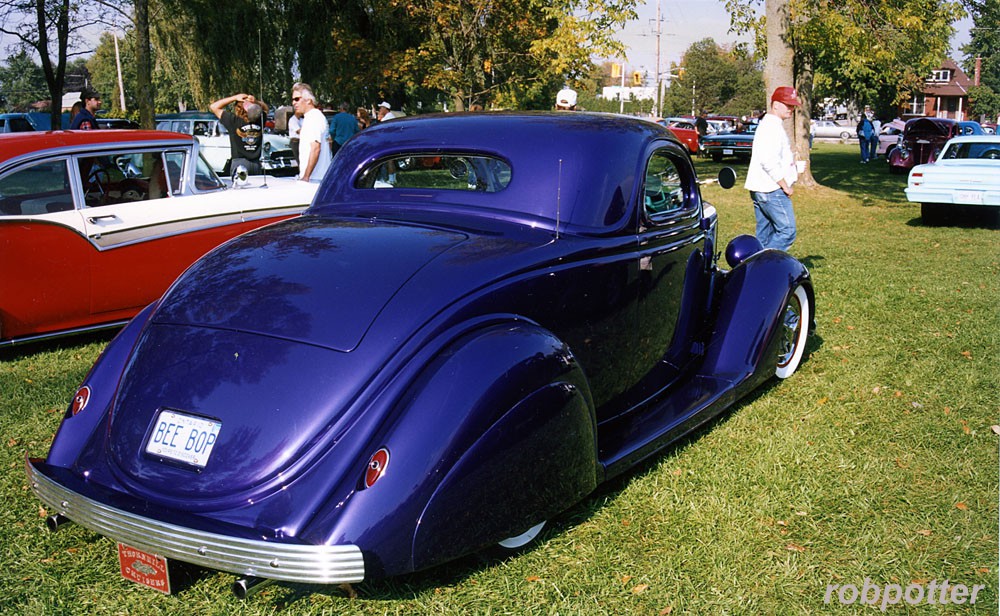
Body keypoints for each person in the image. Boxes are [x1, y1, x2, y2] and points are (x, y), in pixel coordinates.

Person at [745, 86, 801, 252]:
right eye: (788, 105)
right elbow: (768, 161)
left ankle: (755, 264)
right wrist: (784, 185)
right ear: (775, 105)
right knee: (787, 231)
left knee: (764, 236)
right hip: (771, 189)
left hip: (761, 187)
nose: (791, 109)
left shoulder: (770, 125)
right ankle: (762, 262)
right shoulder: (771, 127)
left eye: (793, 105)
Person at [209, 93, 268, 175]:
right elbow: (265, 108)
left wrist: (234, 97)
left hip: (239, 163)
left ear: (237, 108)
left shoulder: (233, 120)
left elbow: (214, 107)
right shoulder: (260, 120)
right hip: (256, 164)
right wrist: (256, 102)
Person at [292, 82, 332, 183]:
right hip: (318, 176)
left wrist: (306, 176)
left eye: (297, 99)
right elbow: (329, 142)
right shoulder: (313, 117)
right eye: (292, 100)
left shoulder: (313, 118)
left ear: (308, 100)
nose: (294, 103)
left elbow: (315, 148)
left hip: (314, 178)